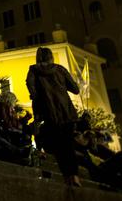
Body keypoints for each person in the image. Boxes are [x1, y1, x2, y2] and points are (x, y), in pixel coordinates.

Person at [26, 46, 81, 187]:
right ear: (51, 56)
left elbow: (33, 92)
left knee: (58, 147)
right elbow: (75, 89)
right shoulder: (59, 69)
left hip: (48, 114)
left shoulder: (33, 70)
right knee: (68, 144)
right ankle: (74, 176)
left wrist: (38, 109)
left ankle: (66, 177)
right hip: (66, 113)